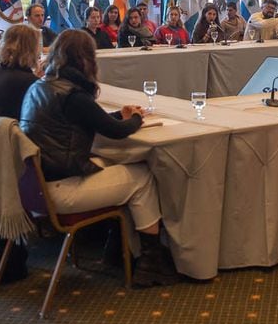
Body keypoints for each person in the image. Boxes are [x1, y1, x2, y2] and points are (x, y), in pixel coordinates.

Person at [20, 29, 177, 287]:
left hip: (35, 187)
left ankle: (118, 248)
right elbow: (115, 132)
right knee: (141, 177)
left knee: (116, 166)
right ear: (86, 59)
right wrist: (135, 119)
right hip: (61, 190)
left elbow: (91, 119)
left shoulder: (41, 85)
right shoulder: (74, 94)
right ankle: (151, 261)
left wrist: (119, 114)